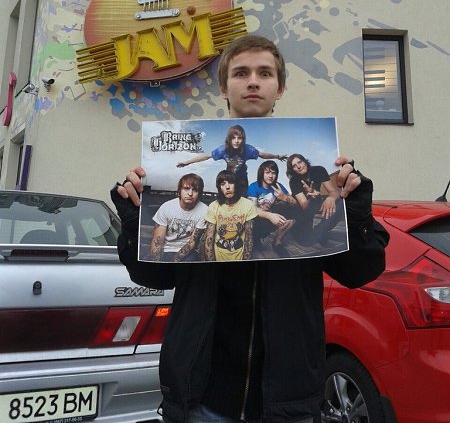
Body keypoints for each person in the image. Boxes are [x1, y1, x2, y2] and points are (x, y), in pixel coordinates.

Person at [112, 34, 389, 423]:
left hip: (289, 400)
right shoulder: (210, 182)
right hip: (201, 397)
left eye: (265, 73)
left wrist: (356, 213)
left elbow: (359, 272)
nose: (253, 82)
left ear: (280, 88)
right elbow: (153, 275)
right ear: (224, 87)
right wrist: (133, 221)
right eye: (241, 73)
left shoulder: (320, 170)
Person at [177, 123, 287, 195]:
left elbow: (263, 155)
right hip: (229, 178)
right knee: (228, 198)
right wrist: (187, 162)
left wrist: (277, 156)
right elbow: (206, 156)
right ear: (229, 139)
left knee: (243, 199)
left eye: (240, 138)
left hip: (242, 178)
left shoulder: (248, 149)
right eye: (233, 138)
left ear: (243, 139)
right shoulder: (223, 150)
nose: (236, 141)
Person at [286, 154, 343, 246]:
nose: (299, 166)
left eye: (299, 162)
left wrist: (331, 198)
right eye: (294, 166)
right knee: (306, 242)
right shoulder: (293, 181)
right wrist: (310, 196)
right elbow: (304, 206)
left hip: (316, 199)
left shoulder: (319, 170)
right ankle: (314, 233)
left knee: (341, 202)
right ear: (292, 170)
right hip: (301, 211)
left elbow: (334, 192)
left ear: (305, 161)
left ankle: (320, 231)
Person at [150, 173, 207, 262]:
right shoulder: (167, 207)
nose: (190, 193)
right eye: (186, 188)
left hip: (188, 252)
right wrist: (156, 265)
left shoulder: (204, 210)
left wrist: (173, 263)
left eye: (195, 190)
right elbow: (157, 241)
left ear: (199, 194)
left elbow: (192, 243)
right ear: (179, 191)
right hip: (166, 249)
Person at [247, 160, 297, 258]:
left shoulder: (278, 186)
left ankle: (277, 242)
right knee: (257, 249)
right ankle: (255, 239)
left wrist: (285, 198)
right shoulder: (253, 187)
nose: (271, 176)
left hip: (271, 217)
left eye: (273, 173)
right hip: (257, 221)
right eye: (267, 172)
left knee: (294, 212)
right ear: (262, 173)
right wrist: (270, 216)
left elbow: (295, 203)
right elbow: (251, 210)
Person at [204, 170, 257, 261]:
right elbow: (209, 239)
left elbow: (249, 239)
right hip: (218, 255)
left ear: (236, 185)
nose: (227, 187)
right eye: (223, 184)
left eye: (231, 183)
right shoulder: (214, 206)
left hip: (240, 255)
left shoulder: (248, 205)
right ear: (219, 188)